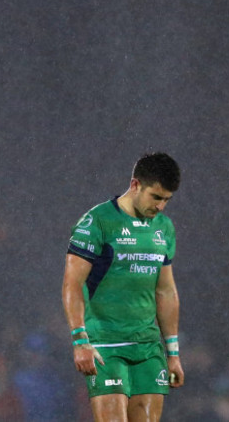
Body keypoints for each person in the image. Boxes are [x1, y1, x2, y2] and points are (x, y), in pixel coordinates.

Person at [62, 152, 185, 421]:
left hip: (148, 347)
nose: (161, 206)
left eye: (167, 200)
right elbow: (72, 284)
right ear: (135, 185)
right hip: (105, 344)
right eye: (156, 197)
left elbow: (165, 291)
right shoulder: (97, 222)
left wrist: (173, 353)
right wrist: (80, 340)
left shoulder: (163, 228)